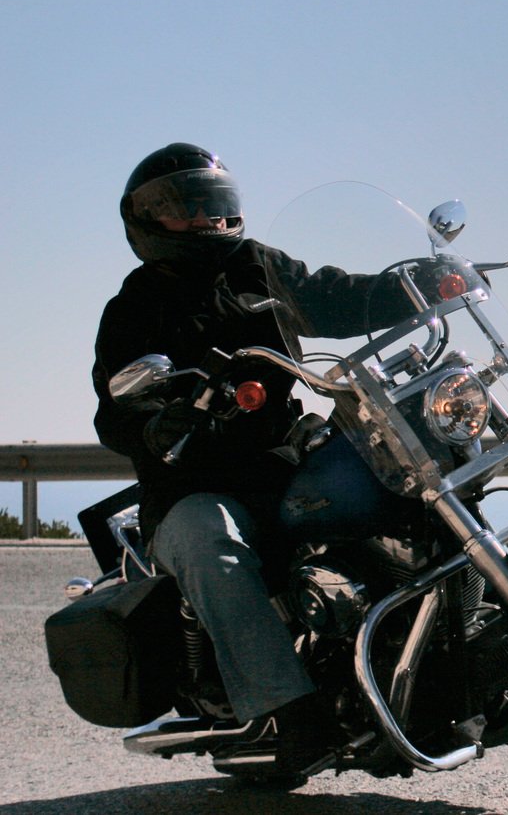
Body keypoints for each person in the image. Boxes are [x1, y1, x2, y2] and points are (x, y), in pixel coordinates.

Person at [91, 143, 406, 779]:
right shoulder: (133, 307)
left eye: (212, 204)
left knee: (397, 481)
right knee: (214, 543)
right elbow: (111, 413)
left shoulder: (257, 265)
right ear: (146, 222)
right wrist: (156, 425)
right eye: (185, 208)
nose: (205, 219)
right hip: (190, 488)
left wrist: (419, 282)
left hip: (286, 462)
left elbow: (334, 295)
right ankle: (294, 715)